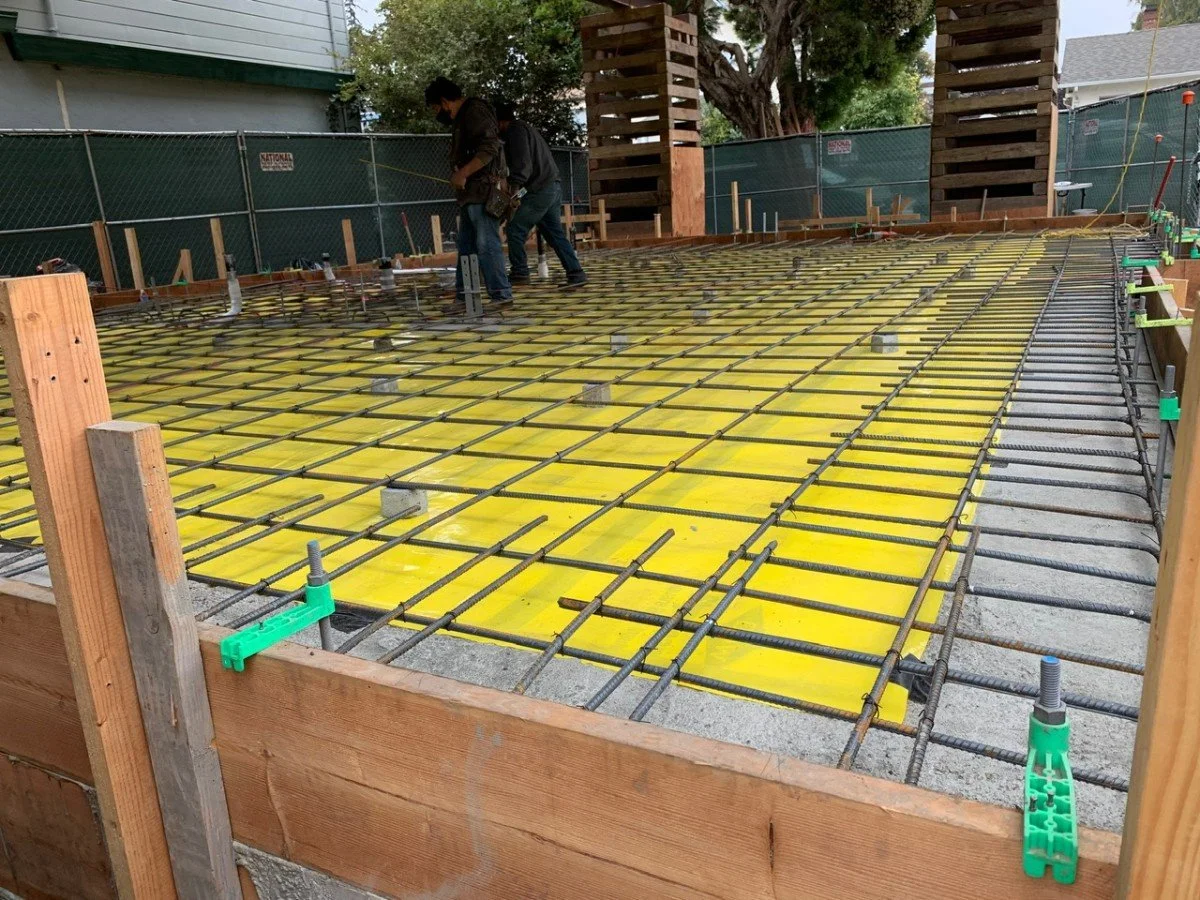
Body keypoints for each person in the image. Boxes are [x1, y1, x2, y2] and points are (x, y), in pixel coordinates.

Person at [424, 77, 513, 306]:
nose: (438, 113)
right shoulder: (465, 116)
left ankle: (500, 295)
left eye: (436, 108)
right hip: (471, 195)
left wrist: (463, 173)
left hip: (483, 191)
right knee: (468, 247)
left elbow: (490, 147)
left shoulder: (474, 111)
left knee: (486, 244)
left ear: (445, 101)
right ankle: (466, 297)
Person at [494, 103, 588, 289]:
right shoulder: (525, 129)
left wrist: (514, 190)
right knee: (554, 234)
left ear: (500, 122)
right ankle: (576, 273)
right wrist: (518, 192)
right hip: (550, 187)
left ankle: (520, 272)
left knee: (514, 229)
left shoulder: (515, 131)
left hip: (539, 189)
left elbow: (523, 166)